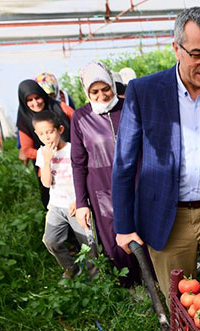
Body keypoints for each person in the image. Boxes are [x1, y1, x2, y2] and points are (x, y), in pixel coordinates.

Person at [112, 7, 200, 299]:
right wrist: (124, 227)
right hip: (167, 213)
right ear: (176, 48)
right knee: (180, 300)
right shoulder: (144, 92)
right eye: (197, 54)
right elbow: (124, 164)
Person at [71, 61, 144, 287]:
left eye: (106, 89)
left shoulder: (129, 107)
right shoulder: (81, 118)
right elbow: (78, 162)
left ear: (114, 85)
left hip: (137, 180)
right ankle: (130, 289)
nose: (102, 95)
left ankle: (157, 284)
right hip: (101, 187)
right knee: (115, 239)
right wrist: (82, 202)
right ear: (86, 92)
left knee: (144, 231)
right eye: (95, 91)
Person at [33, 110, 98, 280]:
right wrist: (47, 161)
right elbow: (46, 183)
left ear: (60, 130)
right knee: (50, 240)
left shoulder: (72, 149)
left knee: (88, 245)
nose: (47, 137)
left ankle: (96, 279)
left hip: (76, 205)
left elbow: (85, 177)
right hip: (56, 206)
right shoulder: (42, 153)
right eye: (41, 134)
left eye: (50, 132)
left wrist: (79, 201)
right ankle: (71, 268)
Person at [16, 79, 73, 208]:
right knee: (54, 206)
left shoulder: (59, 107)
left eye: (37, 97)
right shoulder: (24, 119)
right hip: (48, 170)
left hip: (72, 162)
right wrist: (46, 155)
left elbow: (80, 123)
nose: (35, 103)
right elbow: (26, 149)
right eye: (29, 100)